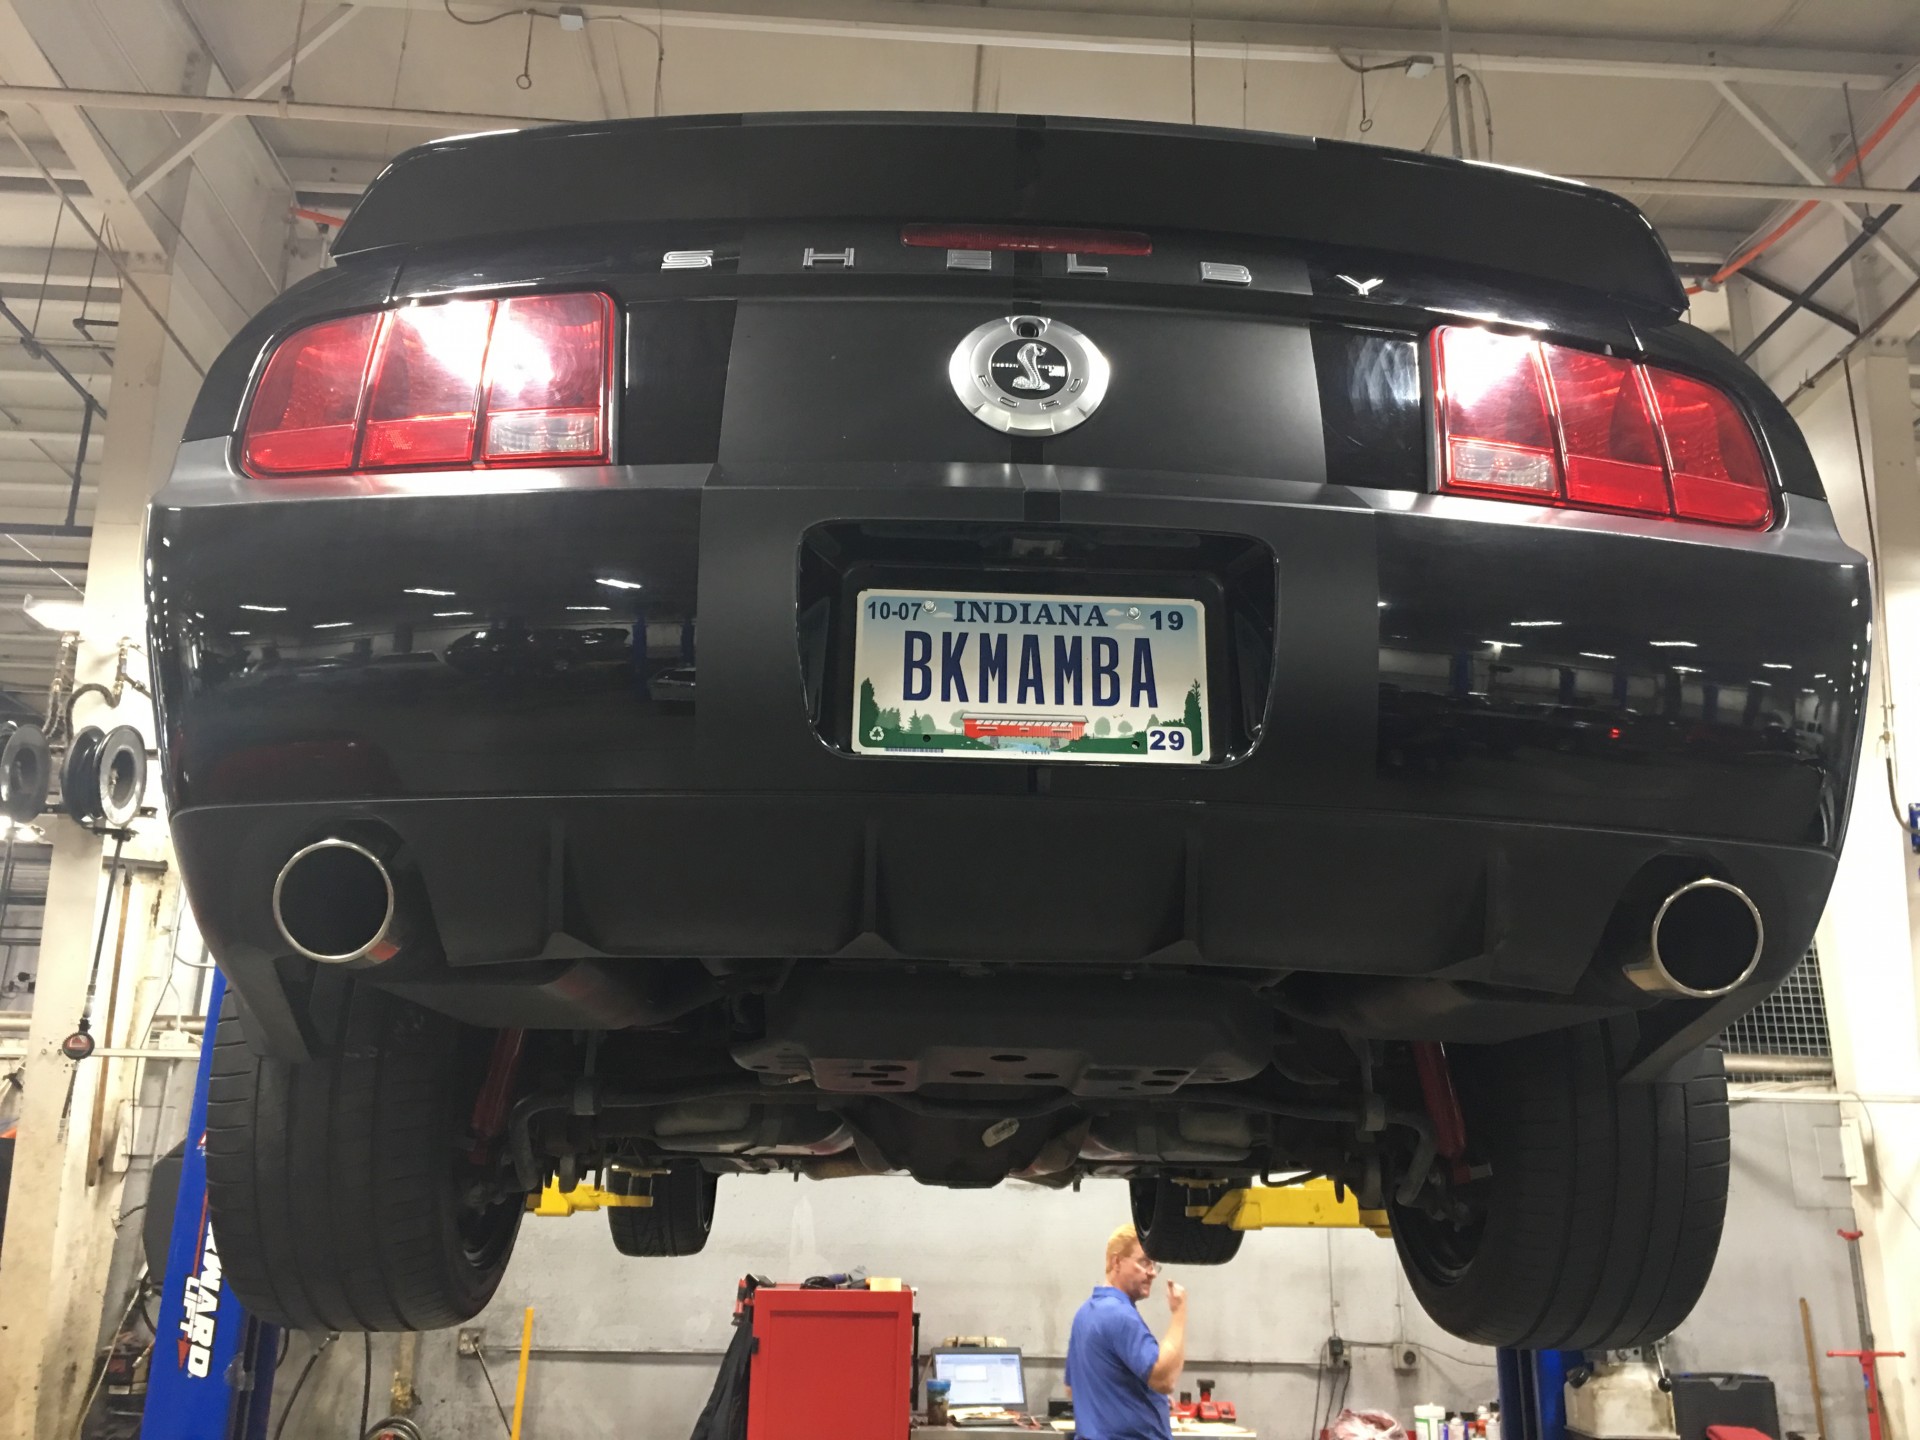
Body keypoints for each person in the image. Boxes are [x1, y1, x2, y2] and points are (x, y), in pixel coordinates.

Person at [1064, 1224, 1189, 1440]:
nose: (1152, 1272)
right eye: (1144, 1262)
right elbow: (1165, 1379)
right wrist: (1179, 1313)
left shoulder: (1084, 1314)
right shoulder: (1120, 1315)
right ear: (1116, 1262)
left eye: (1154, 1265)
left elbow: (1072, 1388)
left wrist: (1142, 1398)